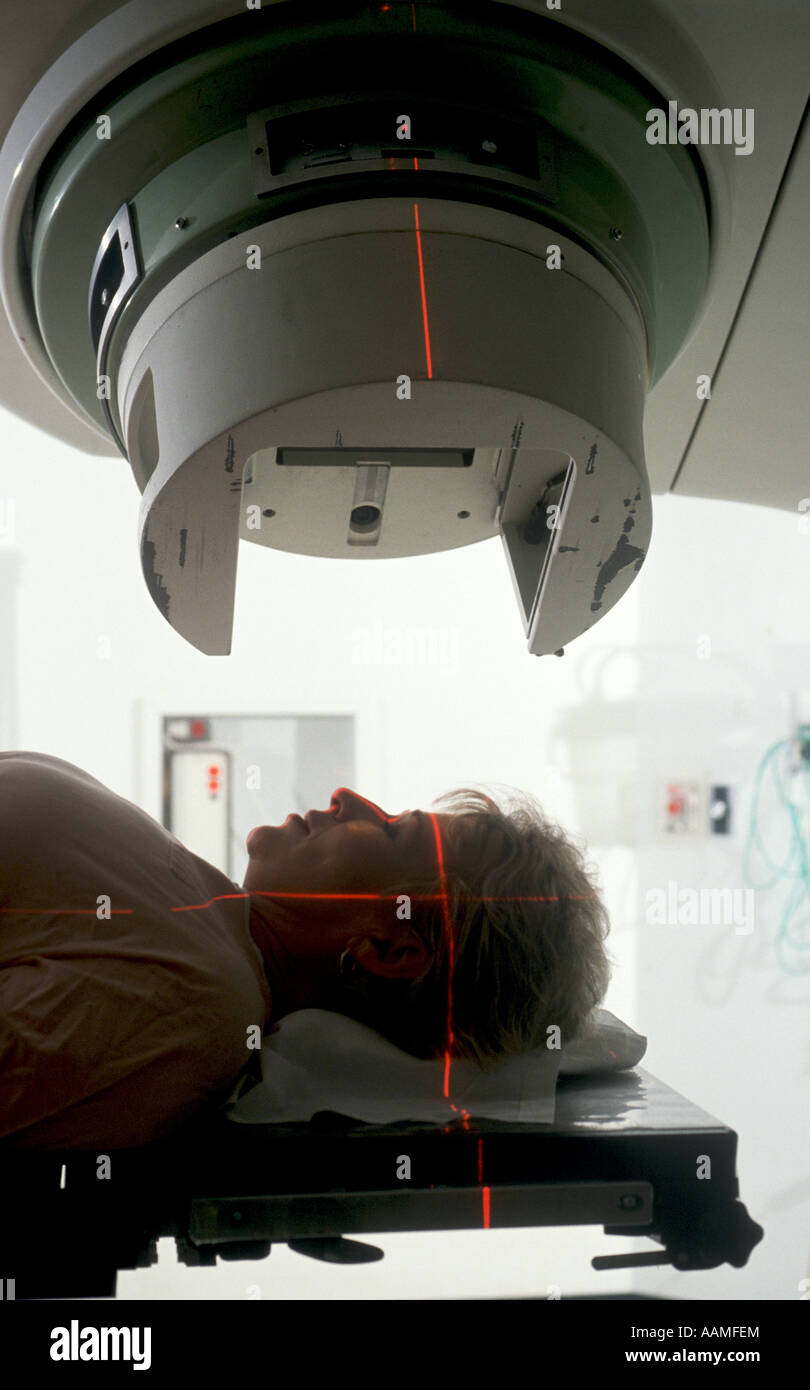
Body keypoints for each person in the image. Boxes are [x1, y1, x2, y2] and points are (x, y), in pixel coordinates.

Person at [0, 751, 610, 1149]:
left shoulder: (198, 1002)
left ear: (388, 947)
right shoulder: (198, 922)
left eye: (393, 828)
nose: (349, 797)